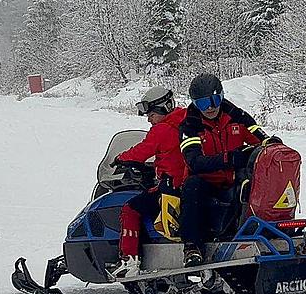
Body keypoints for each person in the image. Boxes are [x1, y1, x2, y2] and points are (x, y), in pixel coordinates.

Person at [178, 73, 280, 266]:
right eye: (203, 104)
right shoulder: (189, 126)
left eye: (214, 100)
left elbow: (259, 136)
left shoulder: (236, 115)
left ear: (222, 96)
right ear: (195, 104)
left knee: (255, 183)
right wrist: (229, 158)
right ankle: (192, 246)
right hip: (206, 181)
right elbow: (194, 162)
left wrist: (271, 143)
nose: (210, 107)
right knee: (192, 186)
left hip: (233, 179)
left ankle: (269, 230)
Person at [106, 86, 188, 279]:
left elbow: (143, 150)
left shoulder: (162, 129)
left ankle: (129, 261)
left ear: (164, 108)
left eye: (151, 115)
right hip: (187, 183)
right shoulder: (185, 120)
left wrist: (121, 158)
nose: (149, 119)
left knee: (130, 209)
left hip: (171, 186)